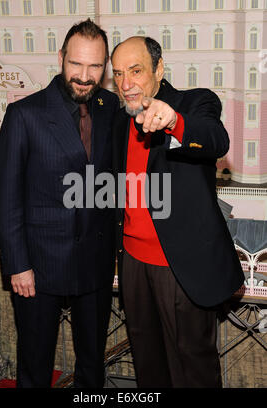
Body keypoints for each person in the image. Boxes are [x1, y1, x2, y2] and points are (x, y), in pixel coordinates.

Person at [111, 36, 244, 388]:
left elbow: (215, 139)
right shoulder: (117, 115)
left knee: (192, 370)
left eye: (136, 71)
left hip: (180, 266)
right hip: (133, 263)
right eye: (119, 74)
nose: (126, 84)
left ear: (159, 69)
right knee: (148, 364)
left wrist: (174, 122)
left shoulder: (194, 102)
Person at [0, 19, 120, 388]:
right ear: (61, 57)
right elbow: (7, 198)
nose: (84, 75)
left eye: (95, 66)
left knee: (92, 366)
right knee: (35, 365)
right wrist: (18, 266)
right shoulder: (25, 114)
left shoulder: (109, 107)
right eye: (76, 64)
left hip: (95, 262)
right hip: (37, 267)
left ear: (105, 67)